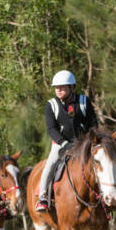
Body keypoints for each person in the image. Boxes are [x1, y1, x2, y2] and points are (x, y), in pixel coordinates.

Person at [36, 70, 99, 212]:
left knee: (103, 161)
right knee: (50, 165)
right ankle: (43, 197)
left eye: (62, 87)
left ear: (72, 88)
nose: (58, 90)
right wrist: (64, 144)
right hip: (60, 144)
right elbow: (52, 129)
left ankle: (111, 196)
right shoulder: (51, 105)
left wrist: (88, 141)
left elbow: (93, 124)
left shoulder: (84, 101)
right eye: (56, 87)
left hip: (84, 144)